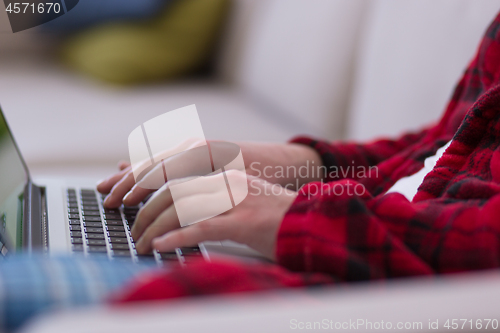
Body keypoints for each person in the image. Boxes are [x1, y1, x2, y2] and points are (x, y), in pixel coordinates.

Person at [2, 8, 500, 333]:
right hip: (339, 234)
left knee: (11, 284)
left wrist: (293, 216)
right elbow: (439, 147)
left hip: (355, 289)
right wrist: (289, 164)